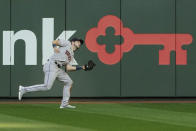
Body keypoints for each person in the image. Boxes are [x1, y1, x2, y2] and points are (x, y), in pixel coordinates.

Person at [18, 38, 95, 109]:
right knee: (47, 86)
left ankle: (64, 103)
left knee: (69, 82)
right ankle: (24, 89)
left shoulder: (71, 55)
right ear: (73, 42)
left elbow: (68, 68)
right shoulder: (67, 43)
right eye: (78, 41)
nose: (79, 43)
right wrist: (55, 47)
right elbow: (54, 41)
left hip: (58, 68)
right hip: (51, 64)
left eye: (80, 43)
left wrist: (82, 67)